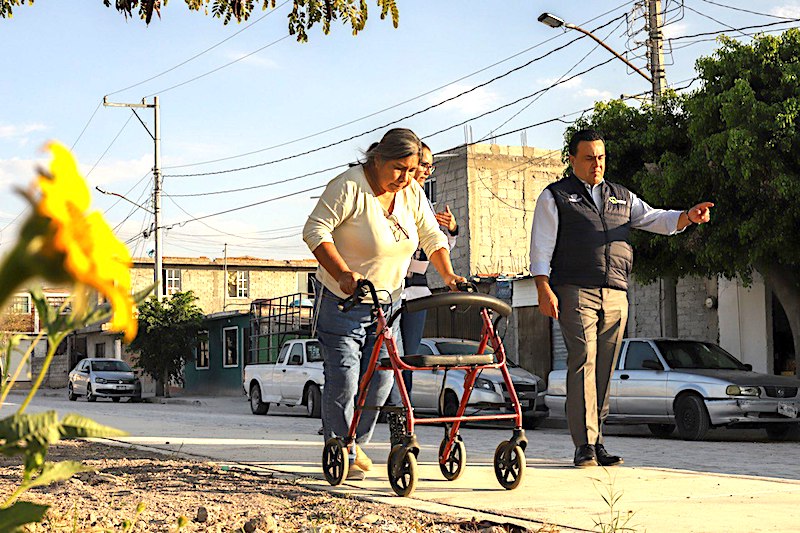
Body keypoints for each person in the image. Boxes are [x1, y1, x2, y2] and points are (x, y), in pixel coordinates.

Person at [529, 129, 713, 468]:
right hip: (573, 288)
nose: (596, 164)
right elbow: (541, 246)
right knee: (583, 358)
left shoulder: (620, 196)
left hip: (615, 291)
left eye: (600, 157)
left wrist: (687, 217)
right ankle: (583, 445)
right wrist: (543, 286)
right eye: (588, 158)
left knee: (605, 366)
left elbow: (654, 217)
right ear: (571, 159)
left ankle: (597, 440)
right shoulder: (555, 196)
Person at [303, 128, 465, 480]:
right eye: (398, 169)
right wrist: (344, 273)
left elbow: (432, 235)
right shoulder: (349, 186)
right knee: (345, 377)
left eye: (412, 170)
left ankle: (354, 443)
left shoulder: (411, 193)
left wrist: (449, 275)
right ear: (377, 160)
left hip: (387, 302)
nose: (406, 178)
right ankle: (339, 445)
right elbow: (315, 231)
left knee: (381, 379)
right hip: (344, 302)